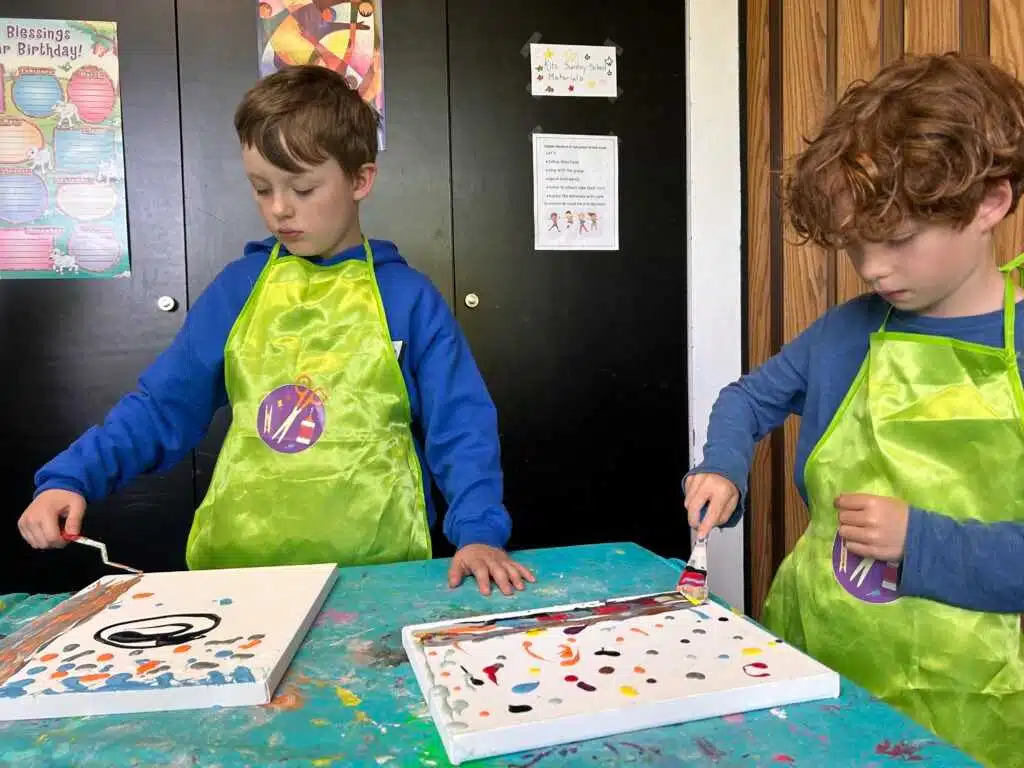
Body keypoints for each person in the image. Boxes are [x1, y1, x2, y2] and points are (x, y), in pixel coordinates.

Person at [18, 65, 535, 598]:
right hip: (242, 576)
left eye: (303, 188)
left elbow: (461, 424)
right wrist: (72, 476)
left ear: (360, 180)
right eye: (262, 189)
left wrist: (478, 533)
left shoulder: (408, 299)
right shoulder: (238, 289)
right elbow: (162, 406)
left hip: (381, 571)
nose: (280, 209)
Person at [684, 53, 1024, 766]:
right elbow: (745, 400)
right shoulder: (846, 330)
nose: (872, 268)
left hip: (976, 708)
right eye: (854, 245)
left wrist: (921, 541)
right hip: (818, 666)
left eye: (897, 240)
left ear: (991, 202)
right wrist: (723, 468)